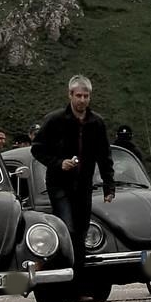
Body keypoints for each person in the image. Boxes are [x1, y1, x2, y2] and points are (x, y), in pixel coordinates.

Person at [30, 75, 115, 267]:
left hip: (84, 185)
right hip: (59, 184)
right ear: (70, 95)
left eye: (86, 96)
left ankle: (79, 283)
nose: (82, 100)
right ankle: (63, 276)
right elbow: (37, 149)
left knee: (82, 232)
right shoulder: (55, 120)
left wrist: (109, 185)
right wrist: (59, 163)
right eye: (79, 96)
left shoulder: (97, 123)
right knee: (67, 228)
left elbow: (104, 155)